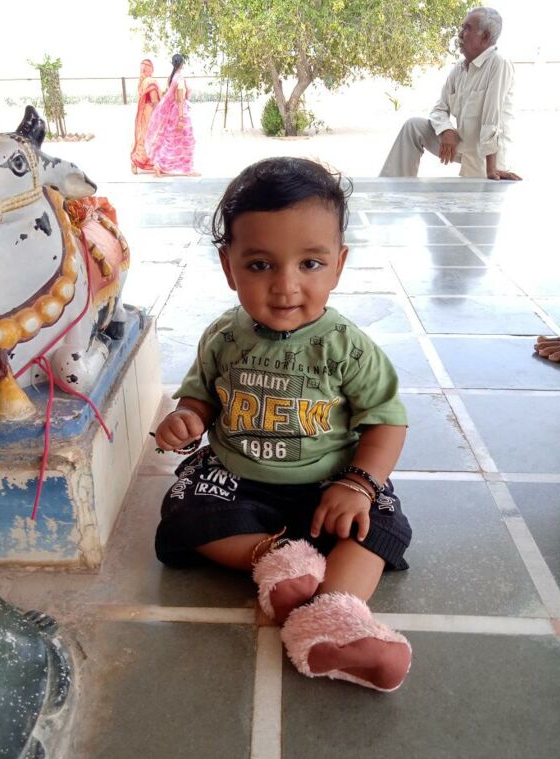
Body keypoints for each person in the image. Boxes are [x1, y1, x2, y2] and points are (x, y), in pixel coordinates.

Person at [153, 157, 413, 692]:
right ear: (229, 267)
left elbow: (386, 423)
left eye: (310, 263)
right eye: (260, 265)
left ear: (338, 265)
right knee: (185, 509)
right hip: (236, 478)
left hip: (330, 483)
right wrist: (187, 418)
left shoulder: (348, 348)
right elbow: (201, 395)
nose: (286, 286)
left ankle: (336, 614)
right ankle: (276, 562)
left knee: (378, 525)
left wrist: (358, 484)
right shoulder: (224, 337)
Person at [380, 7, 521, 180]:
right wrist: (445, 130)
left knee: (477, 192)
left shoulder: (498, 64)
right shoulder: (460, 68)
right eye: (462, 28)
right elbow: (439, 109)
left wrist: (492, 169)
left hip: (487, 158)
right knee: (413, 127)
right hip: (463, 145)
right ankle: (391, 187)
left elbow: (491, 120)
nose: (460, 34)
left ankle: (487, 174)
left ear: (485, 37)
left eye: (467, 28)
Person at [145, 53, 196, 176]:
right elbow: (180, 100)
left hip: (171, 112)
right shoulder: (180, 79)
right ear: (182, 64)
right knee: (186, 140)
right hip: (180, 112)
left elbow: (168, 95)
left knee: (170, 140)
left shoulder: (170, 78)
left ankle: (159, 165)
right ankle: (187, 169)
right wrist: (181, 119)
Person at [130, 59, 161, 174]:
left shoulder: (142, 82)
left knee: (141, 137)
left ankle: (135, 161)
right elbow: (154, 100)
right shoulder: (151, 81)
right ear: (150, 69)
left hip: (143, 113)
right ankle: (152, 163)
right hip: (151, 112)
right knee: (153, 137)